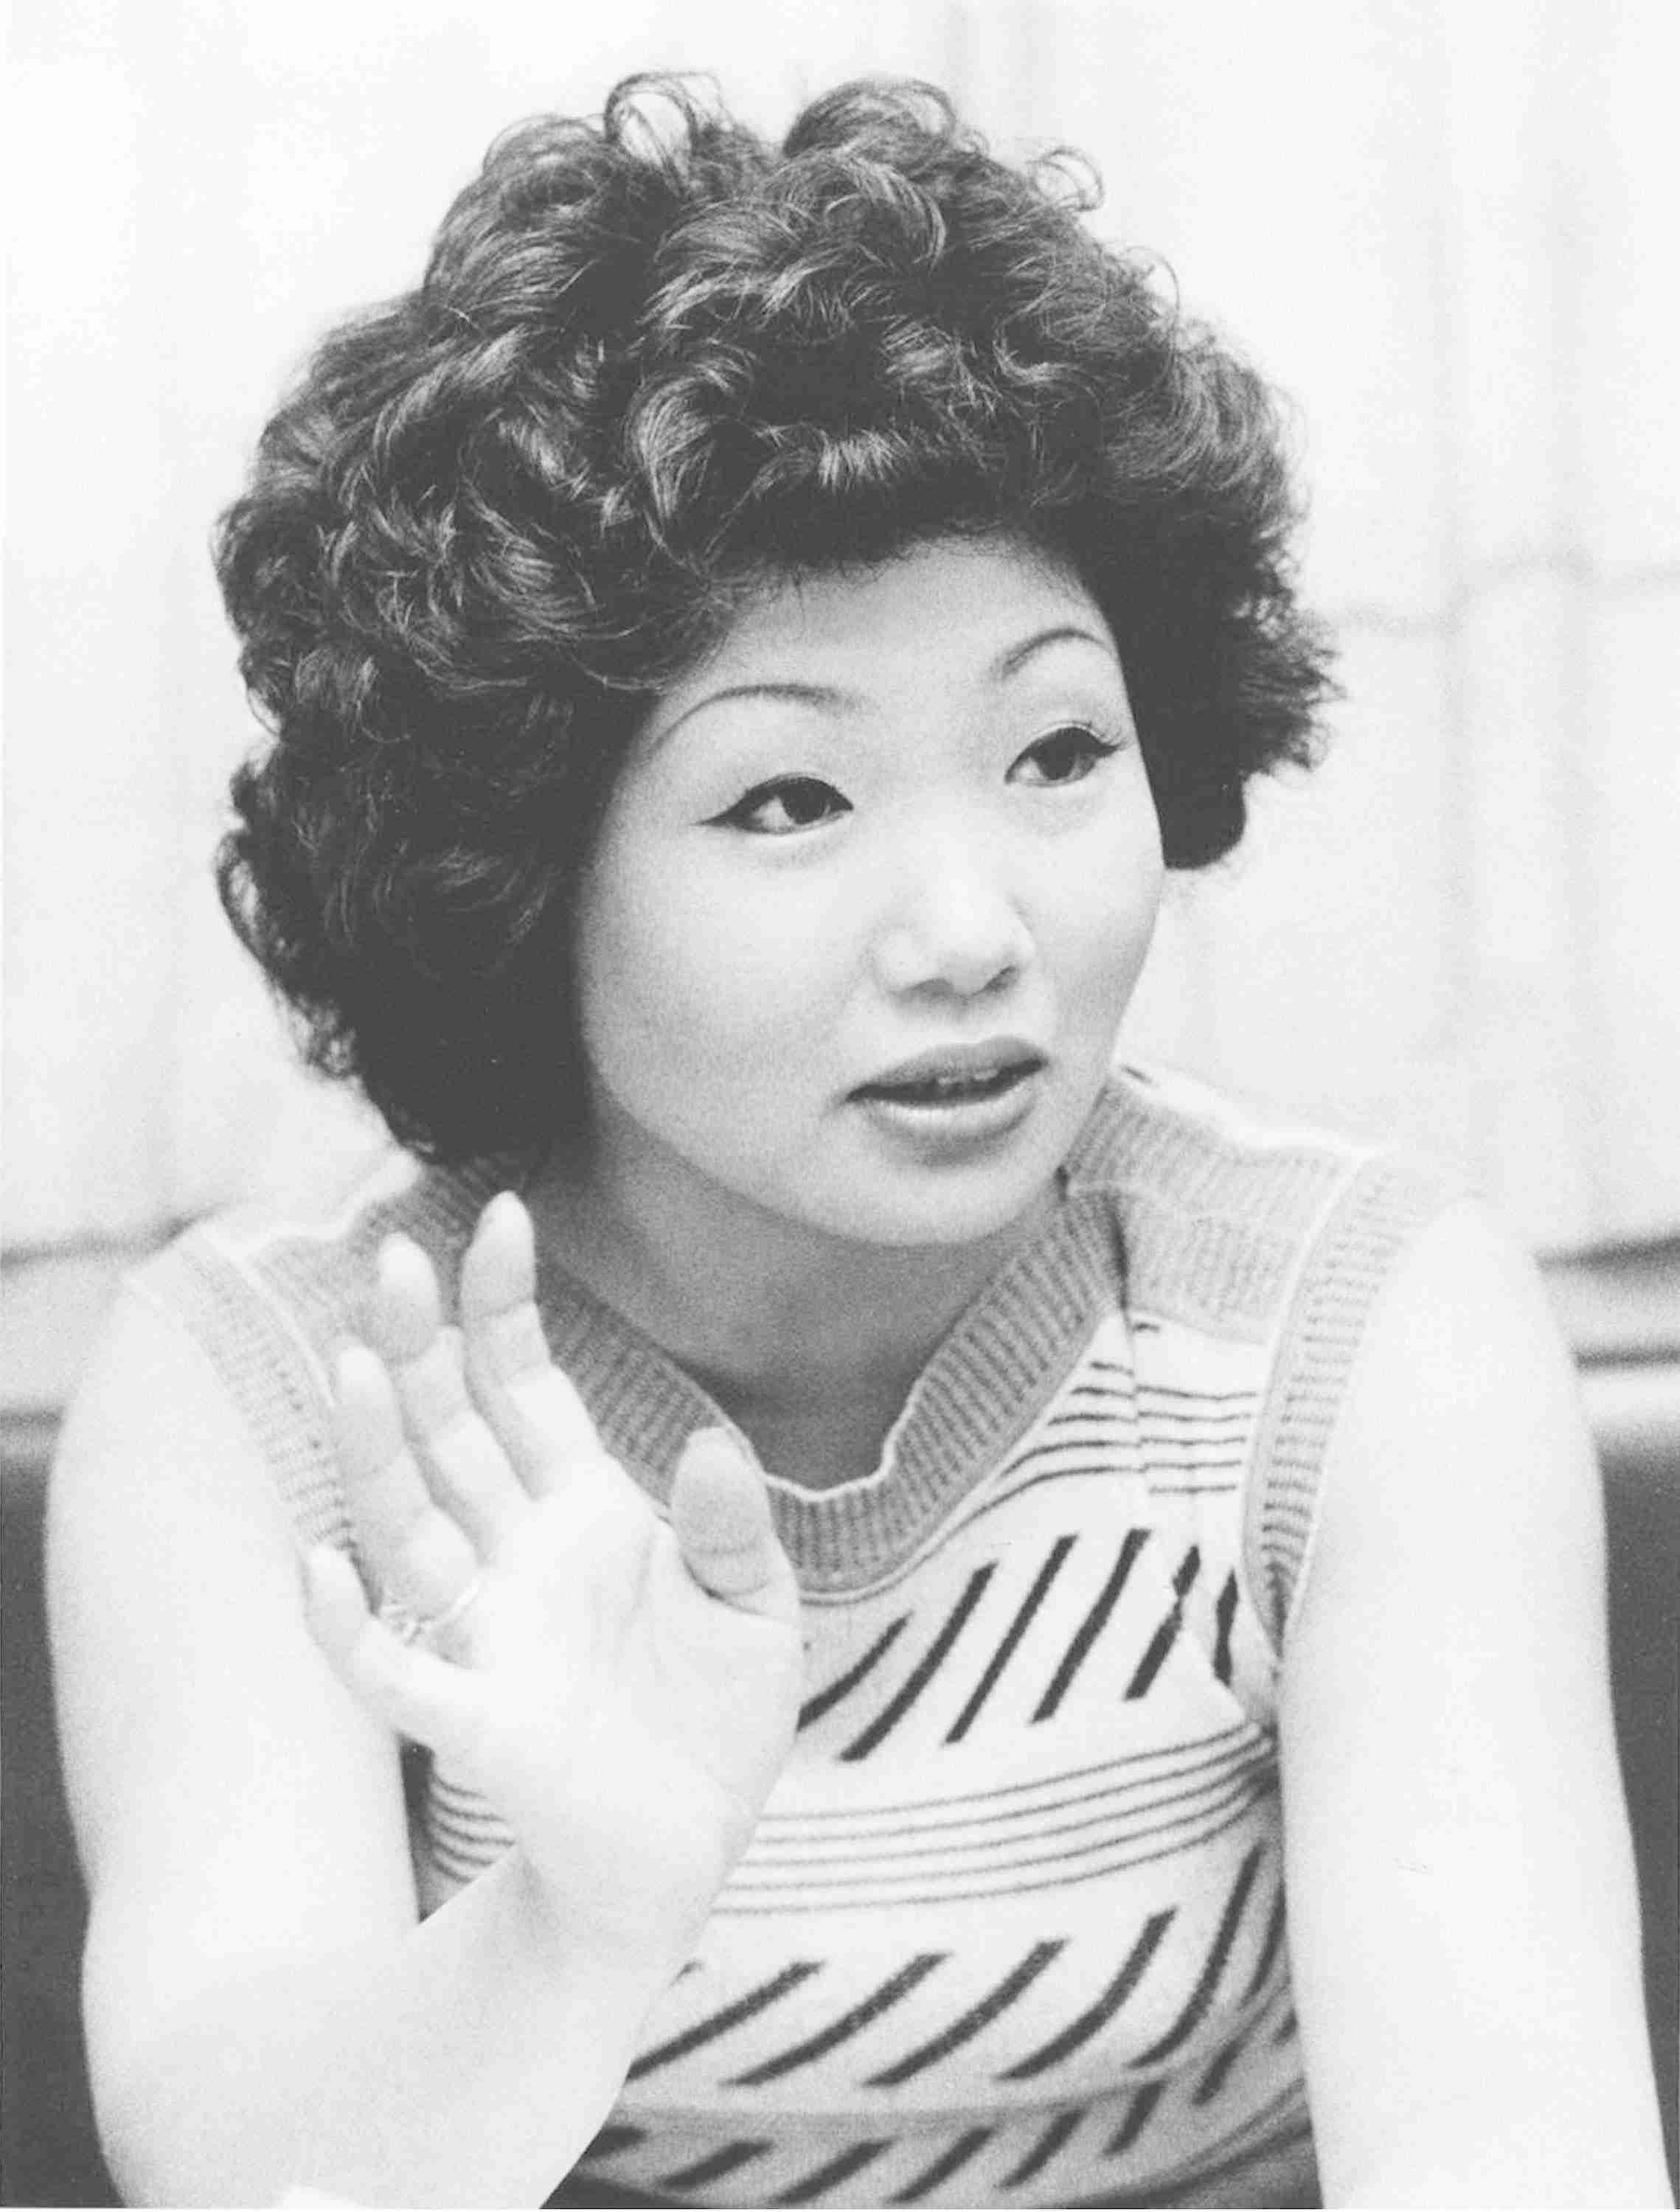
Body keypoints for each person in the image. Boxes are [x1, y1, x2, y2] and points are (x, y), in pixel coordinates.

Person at [47, 74, 1669, 2212]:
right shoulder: (269, 1394)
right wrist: (580, 1924)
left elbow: (1518, 2154)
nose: (974, 931)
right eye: (790, 800)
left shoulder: (1361, 1333)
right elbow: (236, 2175)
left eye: (1056, 749)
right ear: (520, 865)